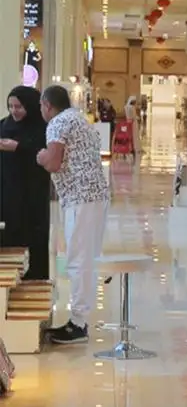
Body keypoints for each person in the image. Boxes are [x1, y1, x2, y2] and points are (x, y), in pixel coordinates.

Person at [36, 85, 110, 345]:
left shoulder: (57, 123)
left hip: (80, 198)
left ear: (47, 104)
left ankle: (78, 324)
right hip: (97, 196)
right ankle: (81, 319)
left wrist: (41, 156)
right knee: (87, 258)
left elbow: (54, 162)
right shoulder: (80, 119)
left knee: (78, 260)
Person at [0, 87, 51, 280]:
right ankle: (9, 276)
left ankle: (36, 274)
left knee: (35, 233)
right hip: (8, 189)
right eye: (11, 106)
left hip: (33, 190)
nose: (14, 111)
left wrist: (19, 147)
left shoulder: (42, 127)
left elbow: (45, 152)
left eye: (19, 106)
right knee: (9, 231)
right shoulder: (4, 125)